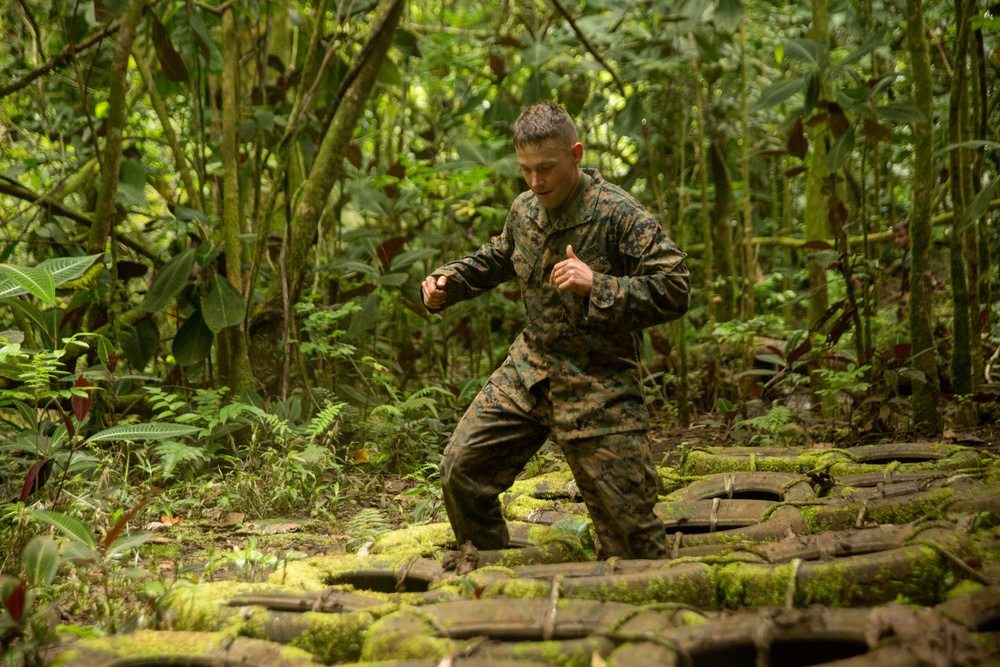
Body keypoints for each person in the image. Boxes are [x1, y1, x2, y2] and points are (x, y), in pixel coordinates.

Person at [421, 101, 690, 560]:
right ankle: (490, 572)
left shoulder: (618, 213)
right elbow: (499, 256)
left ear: (576, 154)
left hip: (598, 380)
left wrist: (598, 285)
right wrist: (448, 281)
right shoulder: (524, 210)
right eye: (525, 170)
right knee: (460, 472)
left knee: (633, 544)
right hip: (533, 368)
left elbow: (676, 286)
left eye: (545, 168)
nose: (535, 181)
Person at [892, 220, 911, 305]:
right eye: (895, 237)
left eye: (901, 236)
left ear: (909, 235)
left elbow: (912, 282)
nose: (897, 240)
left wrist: (907, 296)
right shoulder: (907, 253)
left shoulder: (911, 256)